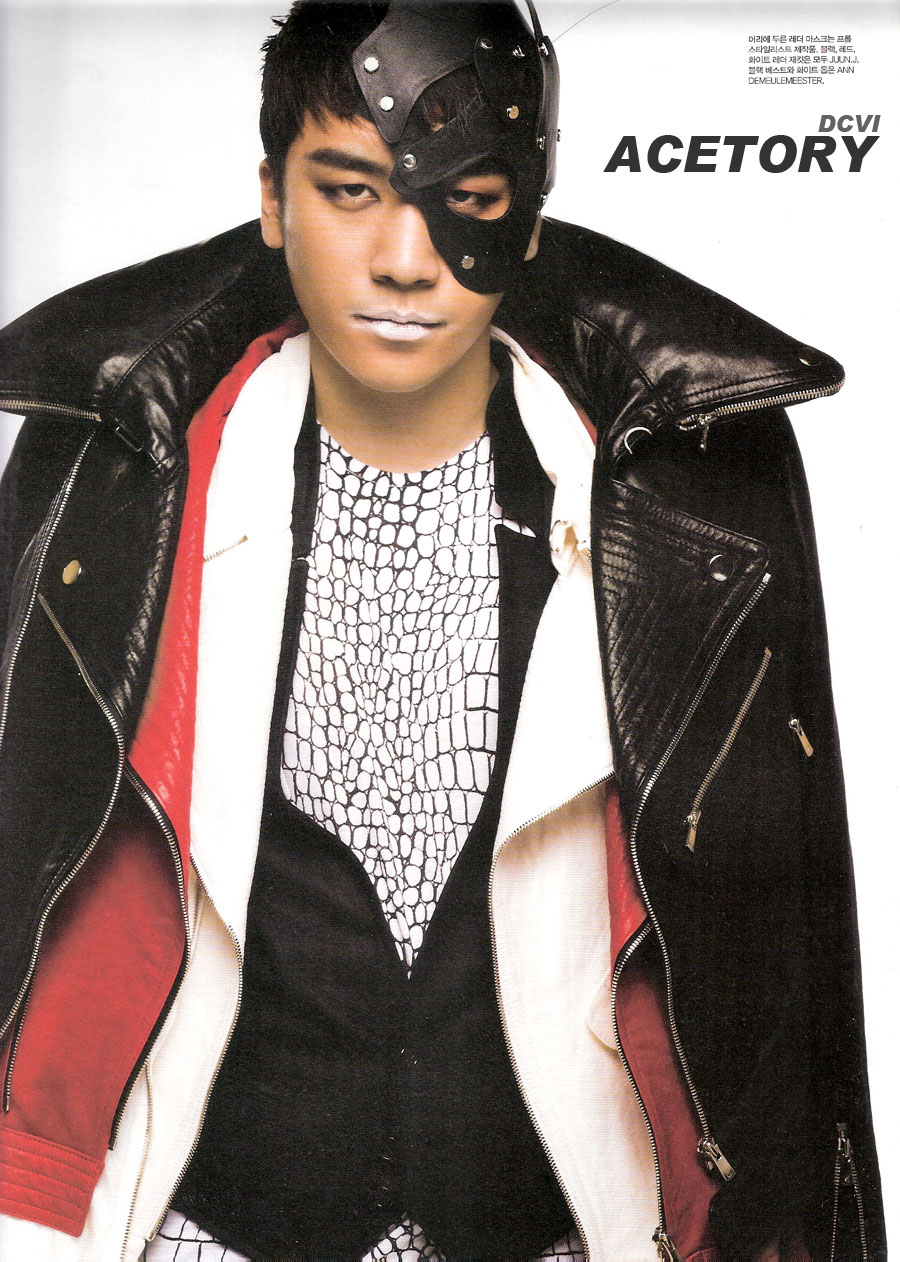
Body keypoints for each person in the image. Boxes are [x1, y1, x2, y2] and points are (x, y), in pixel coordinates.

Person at [0, 0, 885, 1259]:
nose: (405, 258)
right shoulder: (116, 467)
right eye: (350, 191)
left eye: (464, 198)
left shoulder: (690, 488)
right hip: (204, 1223)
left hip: (564, 1225)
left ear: (526, 216)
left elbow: (786, 930)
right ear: (272, 200)